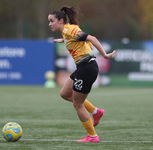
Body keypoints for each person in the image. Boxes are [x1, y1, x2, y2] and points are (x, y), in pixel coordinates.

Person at [48, 6, 116, 143]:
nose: (49, 24)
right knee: (65, 93)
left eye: (51, 21)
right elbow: (74, 39)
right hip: (82, 68)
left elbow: (92, 38)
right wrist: (61, 40)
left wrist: (105, 55)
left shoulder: (69, 30)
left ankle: (92, 136)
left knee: (78, 105)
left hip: (87, 68)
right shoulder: (67, 31)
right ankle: (96, 112)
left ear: (61, 21)